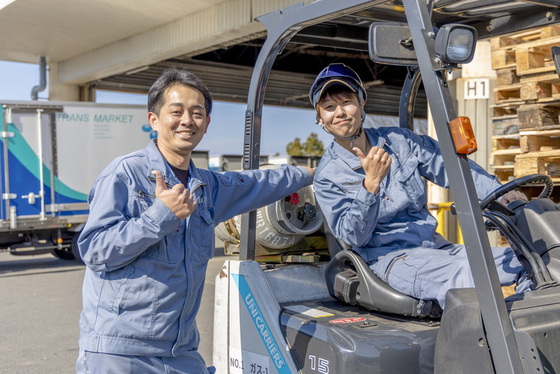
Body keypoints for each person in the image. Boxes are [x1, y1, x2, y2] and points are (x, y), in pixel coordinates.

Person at [76, 68, 314, 373]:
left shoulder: (208, 187)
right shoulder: (125, 174)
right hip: (121, 353)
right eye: (176, 111)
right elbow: (95, 250)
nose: (187, 120)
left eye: (197, 112)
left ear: (206, 123)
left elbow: (257, 183)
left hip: (180, 352)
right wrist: (160, 215)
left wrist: (312, 175)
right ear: (154, 120)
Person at [310, 63, 531, 309]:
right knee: (467, 278)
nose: (339, 112)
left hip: (435, 247)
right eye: (329, 107)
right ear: (320, 118)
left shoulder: (399, 141)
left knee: (531, 260)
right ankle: (491, 343)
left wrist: (500, 195)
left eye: (346, 102)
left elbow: (451, 169)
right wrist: (370, 184)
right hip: (391, 259)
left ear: (361, 102)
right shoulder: (327, 175)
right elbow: (354, 235)